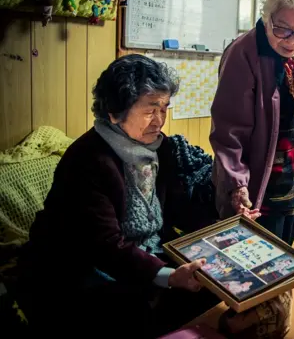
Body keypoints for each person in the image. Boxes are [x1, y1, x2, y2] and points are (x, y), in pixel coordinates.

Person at [17, 55, 220, 338]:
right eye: (151, 110)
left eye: (165, 108)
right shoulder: (88, 159)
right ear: (114, 111)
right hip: (77, 267)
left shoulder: (160, 150)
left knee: (215, 284)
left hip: (140, 255)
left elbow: (177, 211)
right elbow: (104, 246)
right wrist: (169, 276)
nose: (160, 120)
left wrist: (225, 219)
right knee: (128, 311)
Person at [210, 0, 294, 246]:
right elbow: (228, 129)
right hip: (256, 186)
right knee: (254, 264)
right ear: (267, 18)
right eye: (282, 28)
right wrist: (236, 183)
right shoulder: (243, 52)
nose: (291, 40)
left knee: (286, 252)